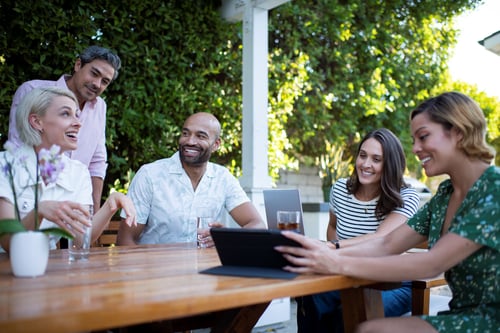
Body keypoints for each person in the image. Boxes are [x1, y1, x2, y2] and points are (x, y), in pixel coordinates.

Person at [276, 91, 499, 333]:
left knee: (367, 328)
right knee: (358, 325)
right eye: (414, 140)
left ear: (458, 132)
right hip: (462, 315)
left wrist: (336, 261)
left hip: (490, 322)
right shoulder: (445, 195)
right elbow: (387, 244)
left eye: (423, 137)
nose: (415, 148)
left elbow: (432, 264)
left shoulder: (493, 190)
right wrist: (324, 250)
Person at [298, 128, 420, 333]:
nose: (366, 164)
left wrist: (332, 247)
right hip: (349, 275)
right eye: (362, 156)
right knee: (309, 297)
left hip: (393, 283)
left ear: (390, 164)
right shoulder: (340, 189)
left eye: (376, 159)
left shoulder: (406, 196)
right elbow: (333, 226)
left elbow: (380, 238)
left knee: (346, 313)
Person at [0, 87, 136, 252]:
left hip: (47, 269)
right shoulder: (4, 165)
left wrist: (110, 206)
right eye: (66, 114)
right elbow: (8, 244)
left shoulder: (78, 172)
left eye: (76, 115)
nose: (78, 123)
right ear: (37, 122)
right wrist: (39, 211)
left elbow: (80, 239)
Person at [117, 112, 266, 247]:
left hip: (204, 272)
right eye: (185, 133)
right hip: (156, 272)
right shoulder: (150, 175)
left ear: (216, 144)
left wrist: (226, 238)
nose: (190, 141)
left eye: (201, 136)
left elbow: (257, 224)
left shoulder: (223, 178)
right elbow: (125, 240)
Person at [8, 45, 122, 211]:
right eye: (94, 73)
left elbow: (97, 161)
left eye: (105, 81)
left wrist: (94, 211)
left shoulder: (100, 107)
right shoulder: (33, 91)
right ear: (78, 65)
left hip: (77, 202)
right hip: (29, 199)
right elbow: (19, 148)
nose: (97, 84)